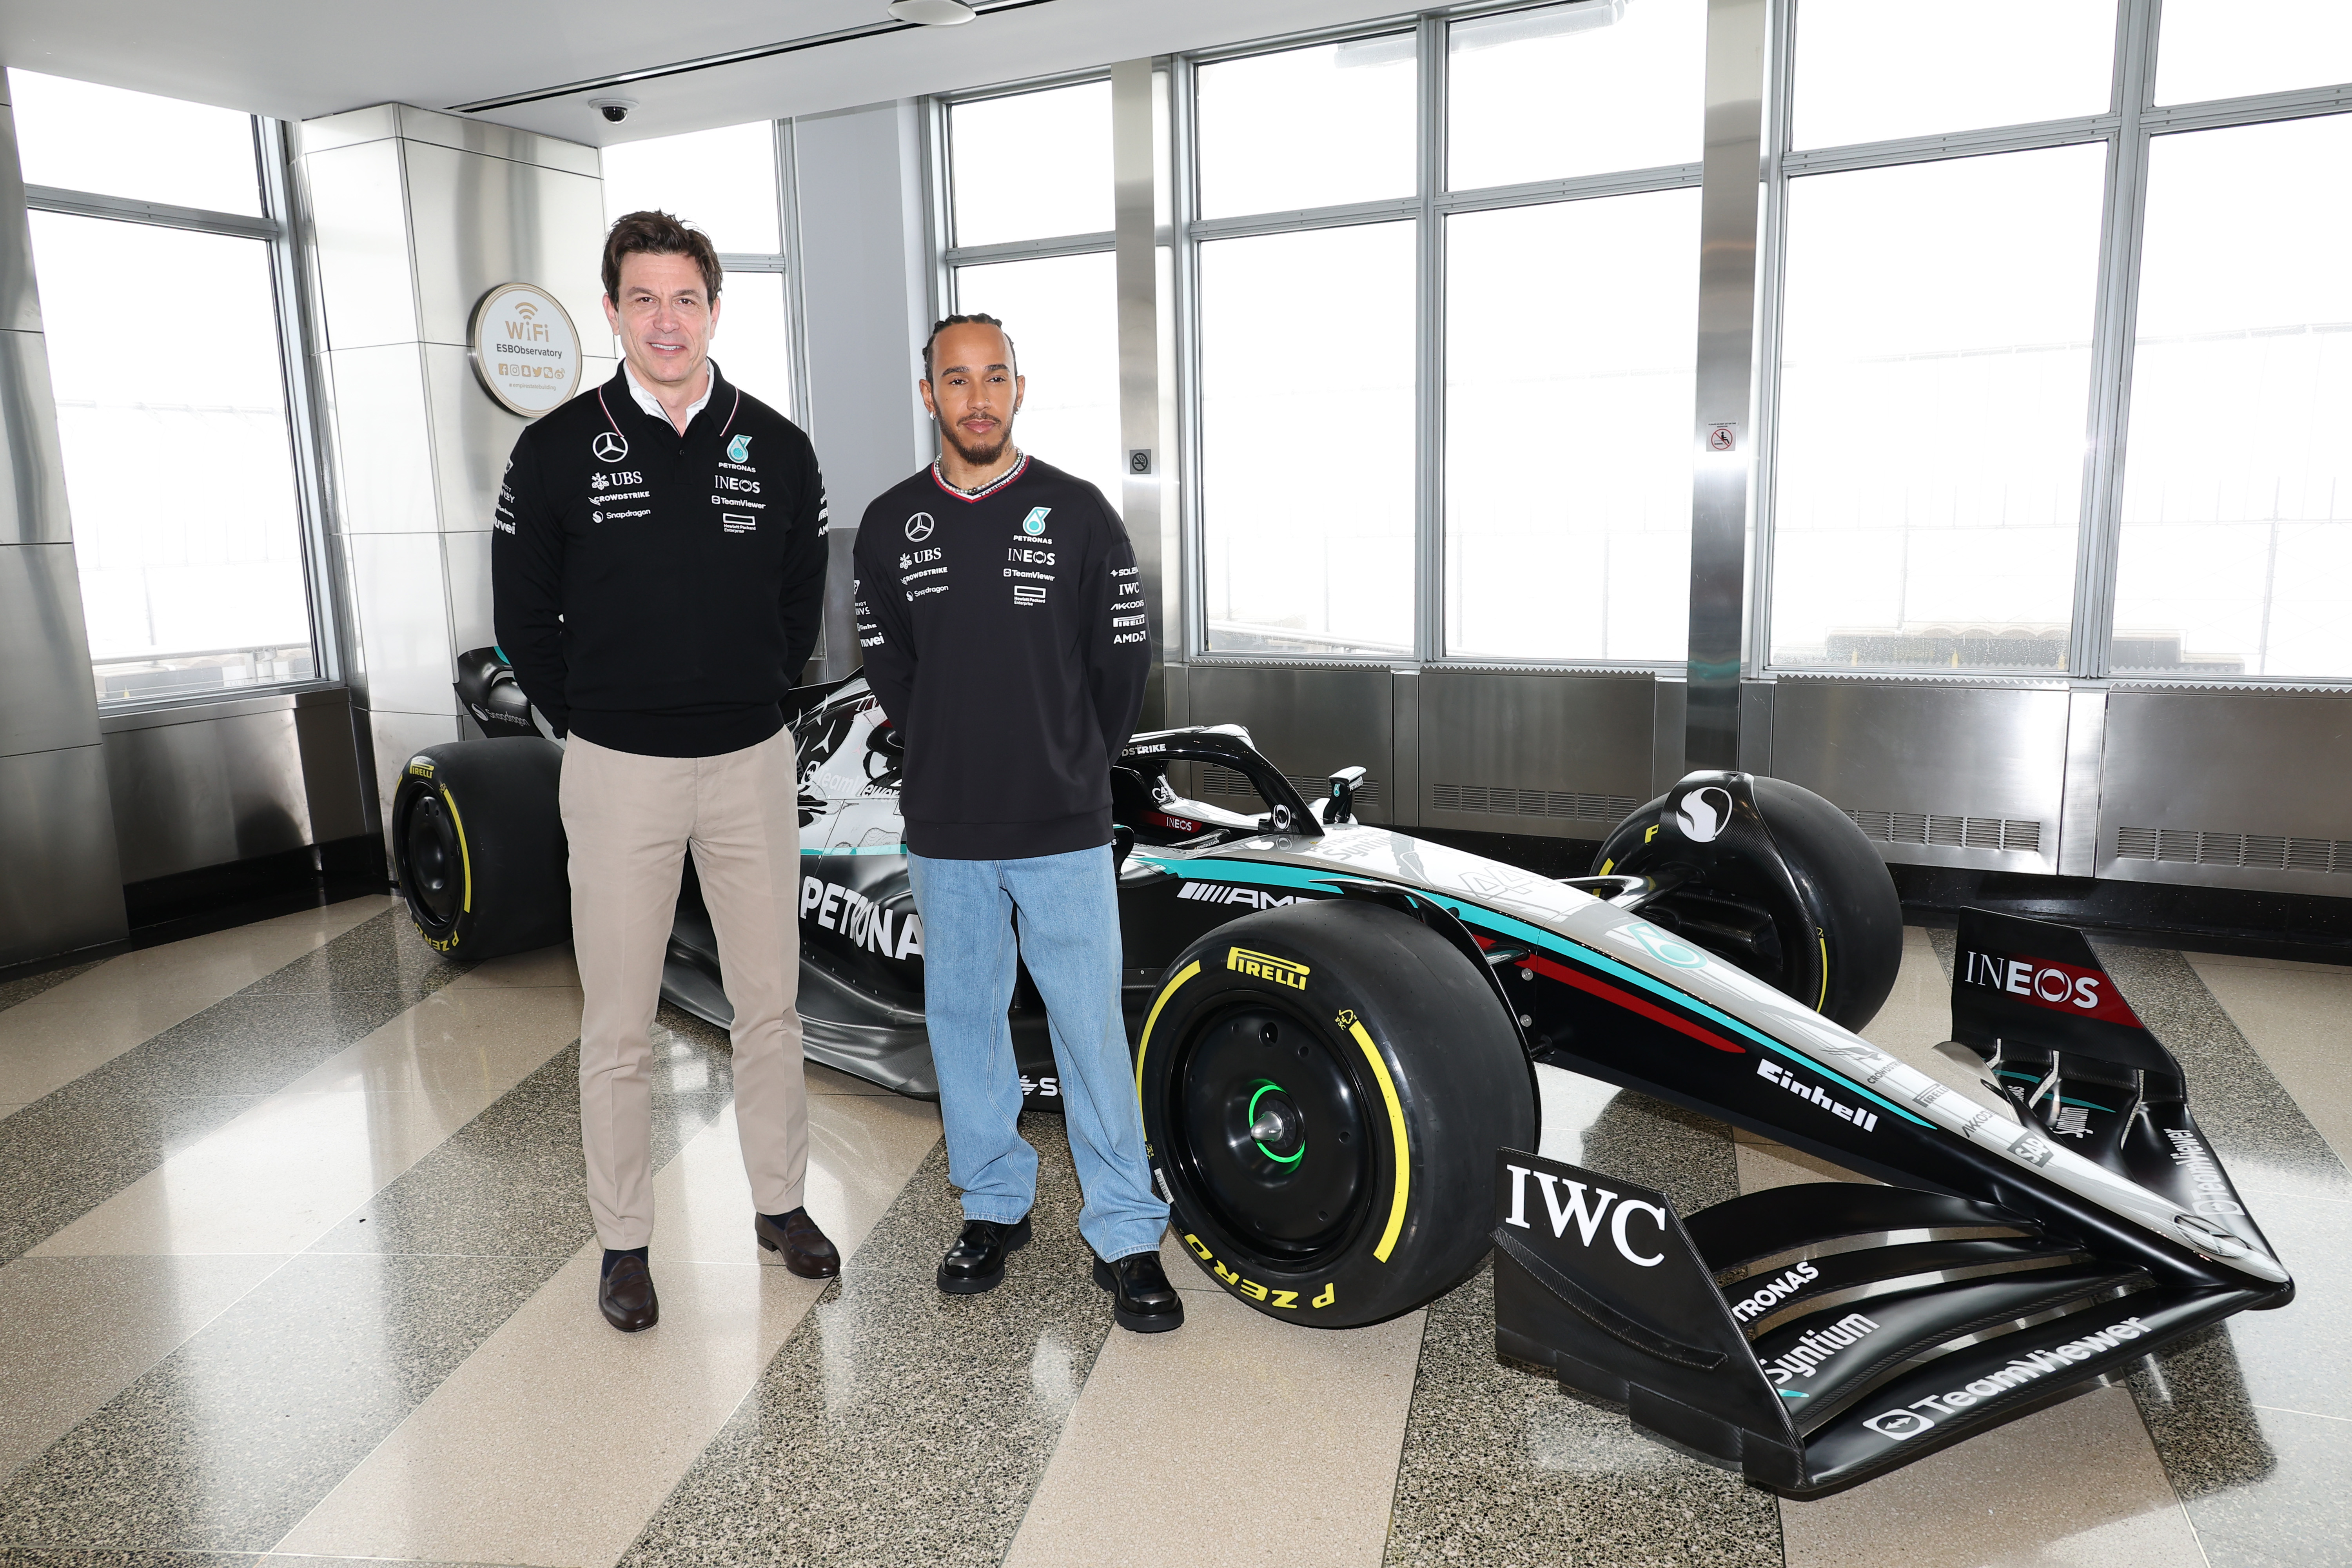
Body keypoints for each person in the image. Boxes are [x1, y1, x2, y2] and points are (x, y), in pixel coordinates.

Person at [492, 211, 839, 1333]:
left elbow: (800, 603)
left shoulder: (778, 447)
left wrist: (750, 688)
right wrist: (595, 713)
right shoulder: (553, 452)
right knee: (621, 1021)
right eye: (642, 299)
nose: (665, 320)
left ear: (715, 310)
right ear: (612, 313)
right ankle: (625, 1240)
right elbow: (522, 621)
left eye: (685, 299)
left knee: (770, 1005)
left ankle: (780, 1205)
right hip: (618, 772)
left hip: (748, 763)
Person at [852, 313, 1181, 1333]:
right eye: (958, 380)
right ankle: (994, 1205)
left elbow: (1123, 663)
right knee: (963, 1020)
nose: (978, 398)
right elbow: (886, 658)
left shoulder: (1078, 514)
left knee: (1088, 1026)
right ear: (929, 396)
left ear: (1020, 389)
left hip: (1063, 826)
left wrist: (1078, 759)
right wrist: (942, 740)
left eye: (995, 378)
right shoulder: (890, 523)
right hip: (946, 825)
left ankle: (1126, 1233)